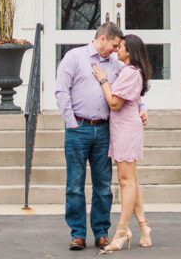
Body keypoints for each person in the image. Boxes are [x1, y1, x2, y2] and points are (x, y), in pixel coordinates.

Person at [55, 22, 148, 251]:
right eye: (114, 45)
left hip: (105, 129)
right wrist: (71, 123)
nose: (116, 50)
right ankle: (77, 234)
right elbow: (61, 90)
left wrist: (141, 107)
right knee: (75, 184)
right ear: (103, 38)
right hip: (79, 128)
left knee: (103, 186)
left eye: (119, 47)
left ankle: (101, 233)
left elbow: (128, 92)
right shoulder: (74, 57)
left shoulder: (116, 66)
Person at [92, 34, 153, 252]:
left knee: (126, 182)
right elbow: (135, 101)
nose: (118, 50)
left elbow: (115, 103)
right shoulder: (131, 71)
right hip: (122, 129)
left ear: (130, 51)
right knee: (131, 181)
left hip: (126, 130)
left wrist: (103, 80)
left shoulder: (130, 72)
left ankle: (122, 230)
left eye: (122, 47)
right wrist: (142, 109)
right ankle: (144, 227)